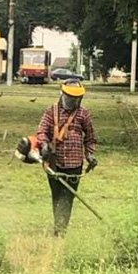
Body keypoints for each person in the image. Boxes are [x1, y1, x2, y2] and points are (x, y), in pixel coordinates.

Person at [36, 80, 98, 236]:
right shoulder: (51, 111)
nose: (72, 101)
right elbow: (42, 132)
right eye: (69, 97)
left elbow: (90, 138)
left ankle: (60, 231)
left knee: (67, 197)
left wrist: (90, 154)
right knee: (56, 196)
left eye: (75, 98)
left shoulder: (84, 113)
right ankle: (59, 227)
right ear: (62, 94)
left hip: (74, 164)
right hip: (54, 163)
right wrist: (44, 146)